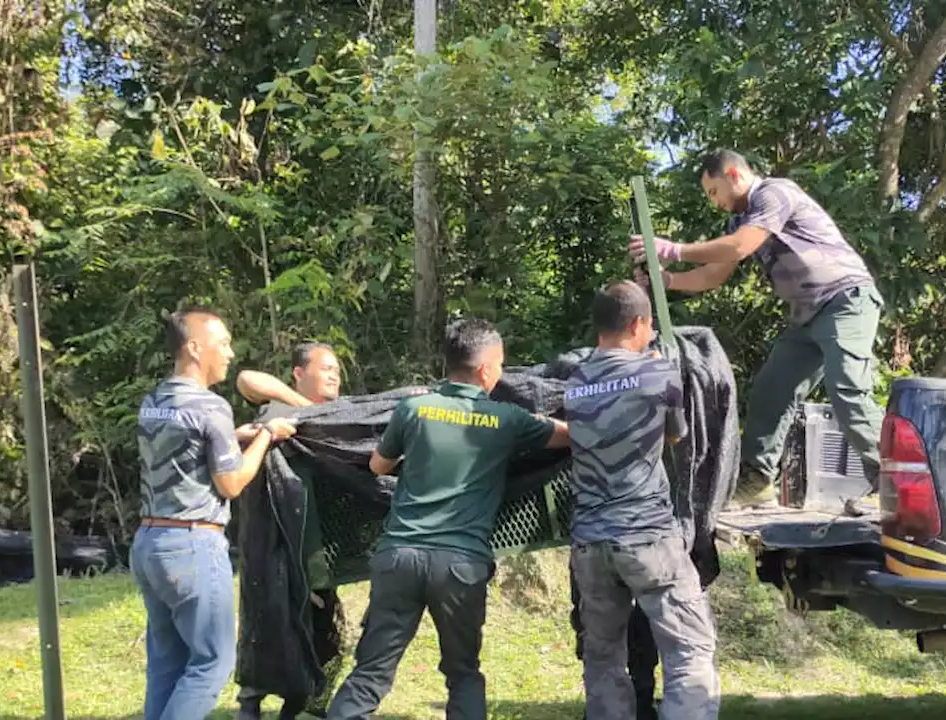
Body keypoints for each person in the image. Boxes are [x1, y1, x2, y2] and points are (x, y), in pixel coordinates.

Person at [326, 317, 570, 720]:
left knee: (371, 672)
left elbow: (377, 465)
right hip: (460, 565)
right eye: (502, 365)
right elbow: (570, 435)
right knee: (463, 674)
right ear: (487, 368)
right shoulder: (506, 419)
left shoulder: (414, 409)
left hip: (400, 556)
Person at [629, 149, 883, 507]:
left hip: (844, 300)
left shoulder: (774, 193)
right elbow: (713, 275)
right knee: (771, 390)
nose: (715, 203)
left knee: (849, 389)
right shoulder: (738, 221)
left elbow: (742, 246)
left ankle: (894, 481)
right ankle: (758, 480)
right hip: (806, 316)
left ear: (733, 174)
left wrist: (674, 249)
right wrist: (666, 279)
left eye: (714, 191)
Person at [563, 281, 720, 719]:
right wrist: (656, 370)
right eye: (650, 326)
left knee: (603, 657)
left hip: (590, 546)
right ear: (637, 324)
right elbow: (676, 435)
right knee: (689, 649)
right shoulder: (658, 373)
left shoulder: (575, 380)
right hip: (647, 537)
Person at [132, 307, 295, 720]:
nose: (229, 351)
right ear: (193, 347)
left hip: (149, 543)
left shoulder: (155, 401)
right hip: (192, 546)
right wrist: (267, 437)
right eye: (221, 342)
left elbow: (186, 451)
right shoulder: (211, 406)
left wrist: (235, 435)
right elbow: (232, 483)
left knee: (167, 664)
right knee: (211, 664)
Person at [235, 341, 344, 720]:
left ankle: (298, 702)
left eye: (337, 370)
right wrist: (301, 407)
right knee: (268, 617)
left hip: (319, 547)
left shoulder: (342, 415)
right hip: (271, 541)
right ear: (299, 373)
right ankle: (251, 701)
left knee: (319, 627)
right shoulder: (278, 410)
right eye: (326, 367)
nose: (334, 375)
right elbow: (247, 378)